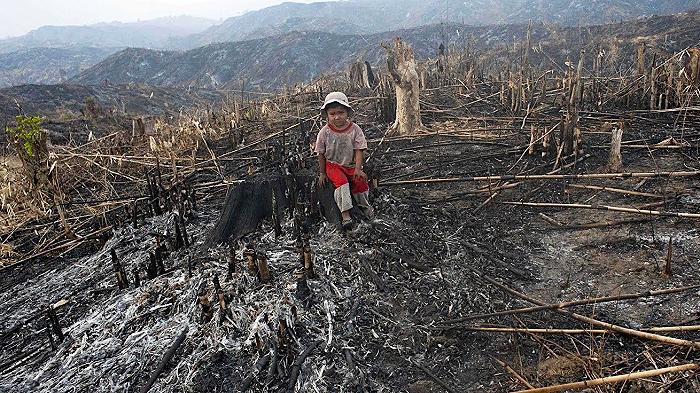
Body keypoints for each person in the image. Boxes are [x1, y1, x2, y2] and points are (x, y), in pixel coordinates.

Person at [314, 91, 374, 229]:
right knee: (342, 183)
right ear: (327, 115)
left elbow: (359, 149)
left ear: (347, 112)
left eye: (340, 113)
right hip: (333, 165)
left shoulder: (355, 130)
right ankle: (345, 213)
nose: (337, 117)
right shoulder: (324, 132)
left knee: (360, 182)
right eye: (332, 114)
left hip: (351, 164)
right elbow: (321, 154)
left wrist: (358, 169)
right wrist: (322, 173)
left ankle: (364, 207)